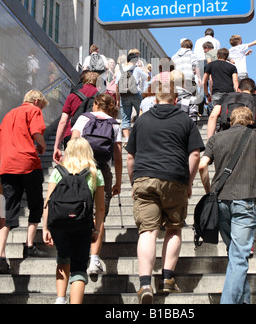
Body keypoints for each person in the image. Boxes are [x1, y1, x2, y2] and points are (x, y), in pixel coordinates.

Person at [126, 84, 205, 304]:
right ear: (176, 99)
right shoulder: (185, 121)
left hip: (144, 178)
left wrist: (134, 182)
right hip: (175, 178)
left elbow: (130, 157)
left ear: (154, 99)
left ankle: (144, 285)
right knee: (173, 228)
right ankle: (167, 279)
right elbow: (196, 155)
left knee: (148, 232)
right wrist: (188, 183)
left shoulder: (140, 121)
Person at [198, 106, 256, 304]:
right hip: (245, 201)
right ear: (251, 120)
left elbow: (202, 165)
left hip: (220, 203)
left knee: (235, 255)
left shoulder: (215, 138)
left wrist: (208, 191)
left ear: (230, 120)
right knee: (239, 258)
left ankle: (244, 300)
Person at [43, 137, 105, 304]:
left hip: (59, 224)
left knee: (63, 258)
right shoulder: (95, 173)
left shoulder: (58, 171)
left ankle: (60, 299)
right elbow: (100, 208)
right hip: (82, 224)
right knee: (78, 266)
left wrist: (45, 228)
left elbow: (47, 202)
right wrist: (97, 230)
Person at [71, 93, 122, 275]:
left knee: (77, 209)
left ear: (95, 104)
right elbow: (117, 156)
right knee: (99, 215)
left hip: (80, 168)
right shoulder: (115, 124)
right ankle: (94, 260)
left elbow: (73, 142)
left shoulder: (84, 118)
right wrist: (118, 181)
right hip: (102, 170)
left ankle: (78, 253)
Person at [0, 90, 48, 272]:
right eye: (41, 106)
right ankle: (29, 246)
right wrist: (42, 145)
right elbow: (37, 132)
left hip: (6, 165)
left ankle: (1, 254)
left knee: (8, 209)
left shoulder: (8, 115)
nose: (40, 109)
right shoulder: (33, 110)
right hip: (27, 163)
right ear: (36, 101)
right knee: (36, 204)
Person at [207, 77, 256, 142]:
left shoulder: (226, 97)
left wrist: (210, 144)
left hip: (225, 139)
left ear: (238, 89)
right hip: (249, 142)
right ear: (255, 91)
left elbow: (213, 116)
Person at [53, 71, 99, 163]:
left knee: (71, 166)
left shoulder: (72, 96)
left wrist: (56, 146)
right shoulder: (100, 96)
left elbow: (63, 121)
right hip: (92, 136)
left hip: (71, 135)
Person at [115, 51, 149, 143]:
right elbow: (147, 78)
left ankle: (126, 139)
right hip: (135, 93)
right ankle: (139, 136)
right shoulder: (137, 69)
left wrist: (118, 100)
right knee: (141, 114)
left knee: (126, 117)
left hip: (124, 95)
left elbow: (117, 86)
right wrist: (144, 69)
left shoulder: (120, 70)